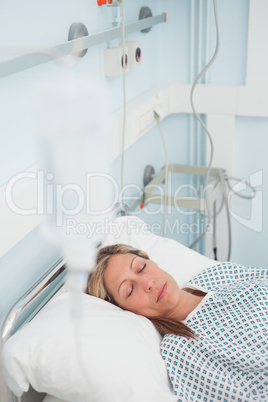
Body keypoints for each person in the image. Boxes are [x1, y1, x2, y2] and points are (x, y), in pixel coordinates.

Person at [87, 243, 268, 401]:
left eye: (141, 267)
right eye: (129, 290)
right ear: (124, 310)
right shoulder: (181, 348)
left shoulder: (217, 275)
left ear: (150, 260)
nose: (147, 283)